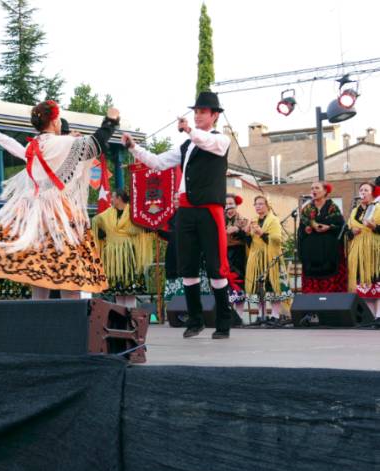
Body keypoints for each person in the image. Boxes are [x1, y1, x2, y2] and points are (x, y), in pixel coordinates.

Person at [0, 101, 117, 299]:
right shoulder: (63, 143)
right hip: (60, 214)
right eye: (58, 119)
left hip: (34, 215)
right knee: (70, 273)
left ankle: (38, 315)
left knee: (39, 270)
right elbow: (97, 143)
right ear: (54, 121)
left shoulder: (33, 145)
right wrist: (111, 121)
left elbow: (17, 149)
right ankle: (72, 316)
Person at [123, 91, 233, 339]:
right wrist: (134, 148)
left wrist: (189, 130)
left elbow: (206, 141)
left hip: (209, 211)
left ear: (215, 115)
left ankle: (223, 322)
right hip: (186, 211)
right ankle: (195, 320)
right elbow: (158, 162)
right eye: (196, 112)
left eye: (203, 111)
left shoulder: (221, 140)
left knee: (216, 268)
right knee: (188, 267)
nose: (198, 115)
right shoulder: (187, 145)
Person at [92, 188, 153, 307]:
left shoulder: (132, 213)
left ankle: (131, 315)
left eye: (113, 197)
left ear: (119, 198)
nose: (111, 199)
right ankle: (121, 315)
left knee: (130, 290)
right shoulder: (108, 213)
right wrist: (103, 234)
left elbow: (143, 225)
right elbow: (95, 221)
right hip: (112, 256)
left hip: (128, 253)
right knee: (118, 290)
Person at [243, 195, 292, 321]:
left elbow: (277, 240)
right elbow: (250, 243)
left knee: (273, 287)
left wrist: (261, 233)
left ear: (267, 205)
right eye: (256, 204)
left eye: (261, 204)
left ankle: (275, 315)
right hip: (256, 258)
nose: (258, 206)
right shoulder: (253, 220)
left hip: (271, 259)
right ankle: (261, 315)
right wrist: (247, 234)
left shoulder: (273, 220)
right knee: (258, 288)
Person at [298, 181, 347, 293]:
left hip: (329, 252)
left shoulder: (333, 207)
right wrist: (306, 229)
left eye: (317, 188)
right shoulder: (306, 209)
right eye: (312, 188)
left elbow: (341, 226)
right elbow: (301, 229)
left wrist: (329, 227)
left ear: (325, 191)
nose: (313, 190)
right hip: (312, 253)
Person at [346, 182, 380, 321]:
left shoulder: (378, 208)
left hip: (374, 251)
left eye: (366, 190)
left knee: (376, 281)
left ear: (373, 193)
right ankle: (371, 317)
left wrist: (374, 227)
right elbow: (347, 231)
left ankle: (379, 316)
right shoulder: (355, 211)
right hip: (358, 251)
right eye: (361, 190)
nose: (363, 192)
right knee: (364, 285)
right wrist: (351, 232)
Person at [224, 193, 249, 323]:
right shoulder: (219, 220)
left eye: (231, 204)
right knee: (225, 285)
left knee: (238, 284)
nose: (229, 207)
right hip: (223, 255)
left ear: (236, 206)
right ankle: (228, 315)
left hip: (238, 256)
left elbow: (248, 239)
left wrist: (238, 230)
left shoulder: (243, 220)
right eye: (226, 204)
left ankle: (238, 316)